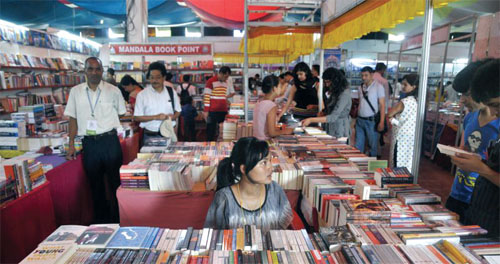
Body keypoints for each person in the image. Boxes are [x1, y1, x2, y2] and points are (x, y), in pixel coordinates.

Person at [64, 57, 126, 223]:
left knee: (116, 184)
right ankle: (102, 222)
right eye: (90, 69)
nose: (94, 72)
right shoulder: (75, 92)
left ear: (102, 71)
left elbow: (121, 113)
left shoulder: (113, 91)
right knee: (95, 186)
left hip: (110, 141)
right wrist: (71, 145)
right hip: (90, 144)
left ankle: (120, 219)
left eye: (97, 69)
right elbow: (72, 119)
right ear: (84, 71)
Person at [445, 59, 499, 222]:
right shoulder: (470, 117)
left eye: (467, 94)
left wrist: (481, 168)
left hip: (488, 208)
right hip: (464, 196)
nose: (462, 100)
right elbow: (465, 148)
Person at [204, 137, 293, 232]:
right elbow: (214, 237)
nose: (271, 168)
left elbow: (283, 228)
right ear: (243, 169)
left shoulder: (275, 190)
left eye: (270, 161)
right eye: (263, 163)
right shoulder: (224, 198)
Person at [134, 62, 181, 143]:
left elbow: (178, 111)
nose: (154, 80)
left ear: (164, 77)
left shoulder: (171, 92)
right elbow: (137, 117)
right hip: (150, 136)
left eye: (158, 77)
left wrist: (172, 117)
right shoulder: (142, 95)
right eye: (152, 77)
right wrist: (156, 117)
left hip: (168, 135)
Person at [301, 67, 352, 138]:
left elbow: (333, 117)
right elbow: (330, 108)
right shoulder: (335, 91)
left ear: (335, 81)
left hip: (339, 130)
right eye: (325, 82)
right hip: (330, 128)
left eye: (328, 82)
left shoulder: (344, 94)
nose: (327, 85)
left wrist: (311, 120)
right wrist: (324, 112)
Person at [387, 74, 419, 173]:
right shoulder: (419, 101)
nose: (403, 87)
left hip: (400, 137)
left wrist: (393, 120)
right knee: (407, 163)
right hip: (411, 138)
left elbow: (390, 113)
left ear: (414, 87)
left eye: (405, 85)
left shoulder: (405, 101)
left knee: (397, 162)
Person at [355, 66, 385, 157]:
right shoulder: (360, 87)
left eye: (366, 75)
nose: (363, 77)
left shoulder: (378, 87)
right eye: (362, 75)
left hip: (371, 121)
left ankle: (372, 168)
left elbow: (382, 105)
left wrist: (382, 122)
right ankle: (358, 166)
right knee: (358, 146)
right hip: (360, 120)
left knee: (373, 146)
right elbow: (360, 102)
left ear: (372, 75)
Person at [252, 75, 294, 140]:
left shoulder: (259, 102)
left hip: (256, 139)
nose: (282, 88)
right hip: (265, 142)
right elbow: (272, 133)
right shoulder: (271, 105)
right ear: (274, 88)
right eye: (280, 86)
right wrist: (285, 131)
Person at [203, 66, 235, 141]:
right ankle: (209, 147)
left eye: (227, 77)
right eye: (225, 76)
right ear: (220, 73)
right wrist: (206, 111)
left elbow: (222, 95)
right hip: (212, 111)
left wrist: (225, 102)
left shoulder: (225, 82)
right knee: (211, 131)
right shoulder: (211, 81)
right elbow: (207, 96)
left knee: (223, 132)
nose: (226, 79)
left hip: (223, 110)